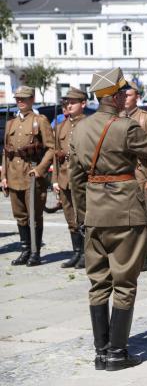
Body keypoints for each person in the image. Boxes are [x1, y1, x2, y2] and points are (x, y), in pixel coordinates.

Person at [69, 67, 147, 371]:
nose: (125, 96)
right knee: (124, 283)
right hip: (125, 212)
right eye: (123, 92)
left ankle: (100, 353)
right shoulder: (126, 127)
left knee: (98, 284)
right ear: (116, 96)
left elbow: (75, 176)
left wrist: (83, 211)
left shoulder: (79, 129)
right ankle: (117, 354)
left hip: (94, 213)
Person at [1, 86, 55, 267]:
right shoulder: (11, 123)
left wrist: (40, 169)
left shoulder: (40, 121)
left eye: (24, 98)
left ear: (32, 99)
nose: (20, 101)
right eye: (17, 98)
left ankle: (35, 252)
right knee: (20, 215)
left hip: (31, 173)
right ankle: (25, 249)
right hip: (14, 174)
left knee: (34, 215)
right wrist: (4, 176)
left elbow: (51, 149)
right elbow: (6, 151)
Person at [122, 81, 147, 271]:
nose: (125, 98)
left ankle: (144, 256)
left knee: (142, 217)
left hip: (140, 173)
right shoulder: (118, 117)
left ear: (136, 96)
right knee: (124, 217)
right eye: (123, 94)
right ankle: (129, 255)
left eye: (128, 94)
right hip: (122, 174)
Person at [52, 87, 88, 269]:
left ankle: (87, 254)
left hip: (82, 179)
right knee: (70, 217)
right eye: (67, 102)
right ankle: (77, 252)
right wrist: (55, 180)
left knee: (84, 217)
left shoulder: (88, 124)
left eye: (73, 102)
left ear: (83, 104)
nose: (69, 105)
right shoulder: (60, 127)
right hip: (65, 177)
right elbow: (55, 155)